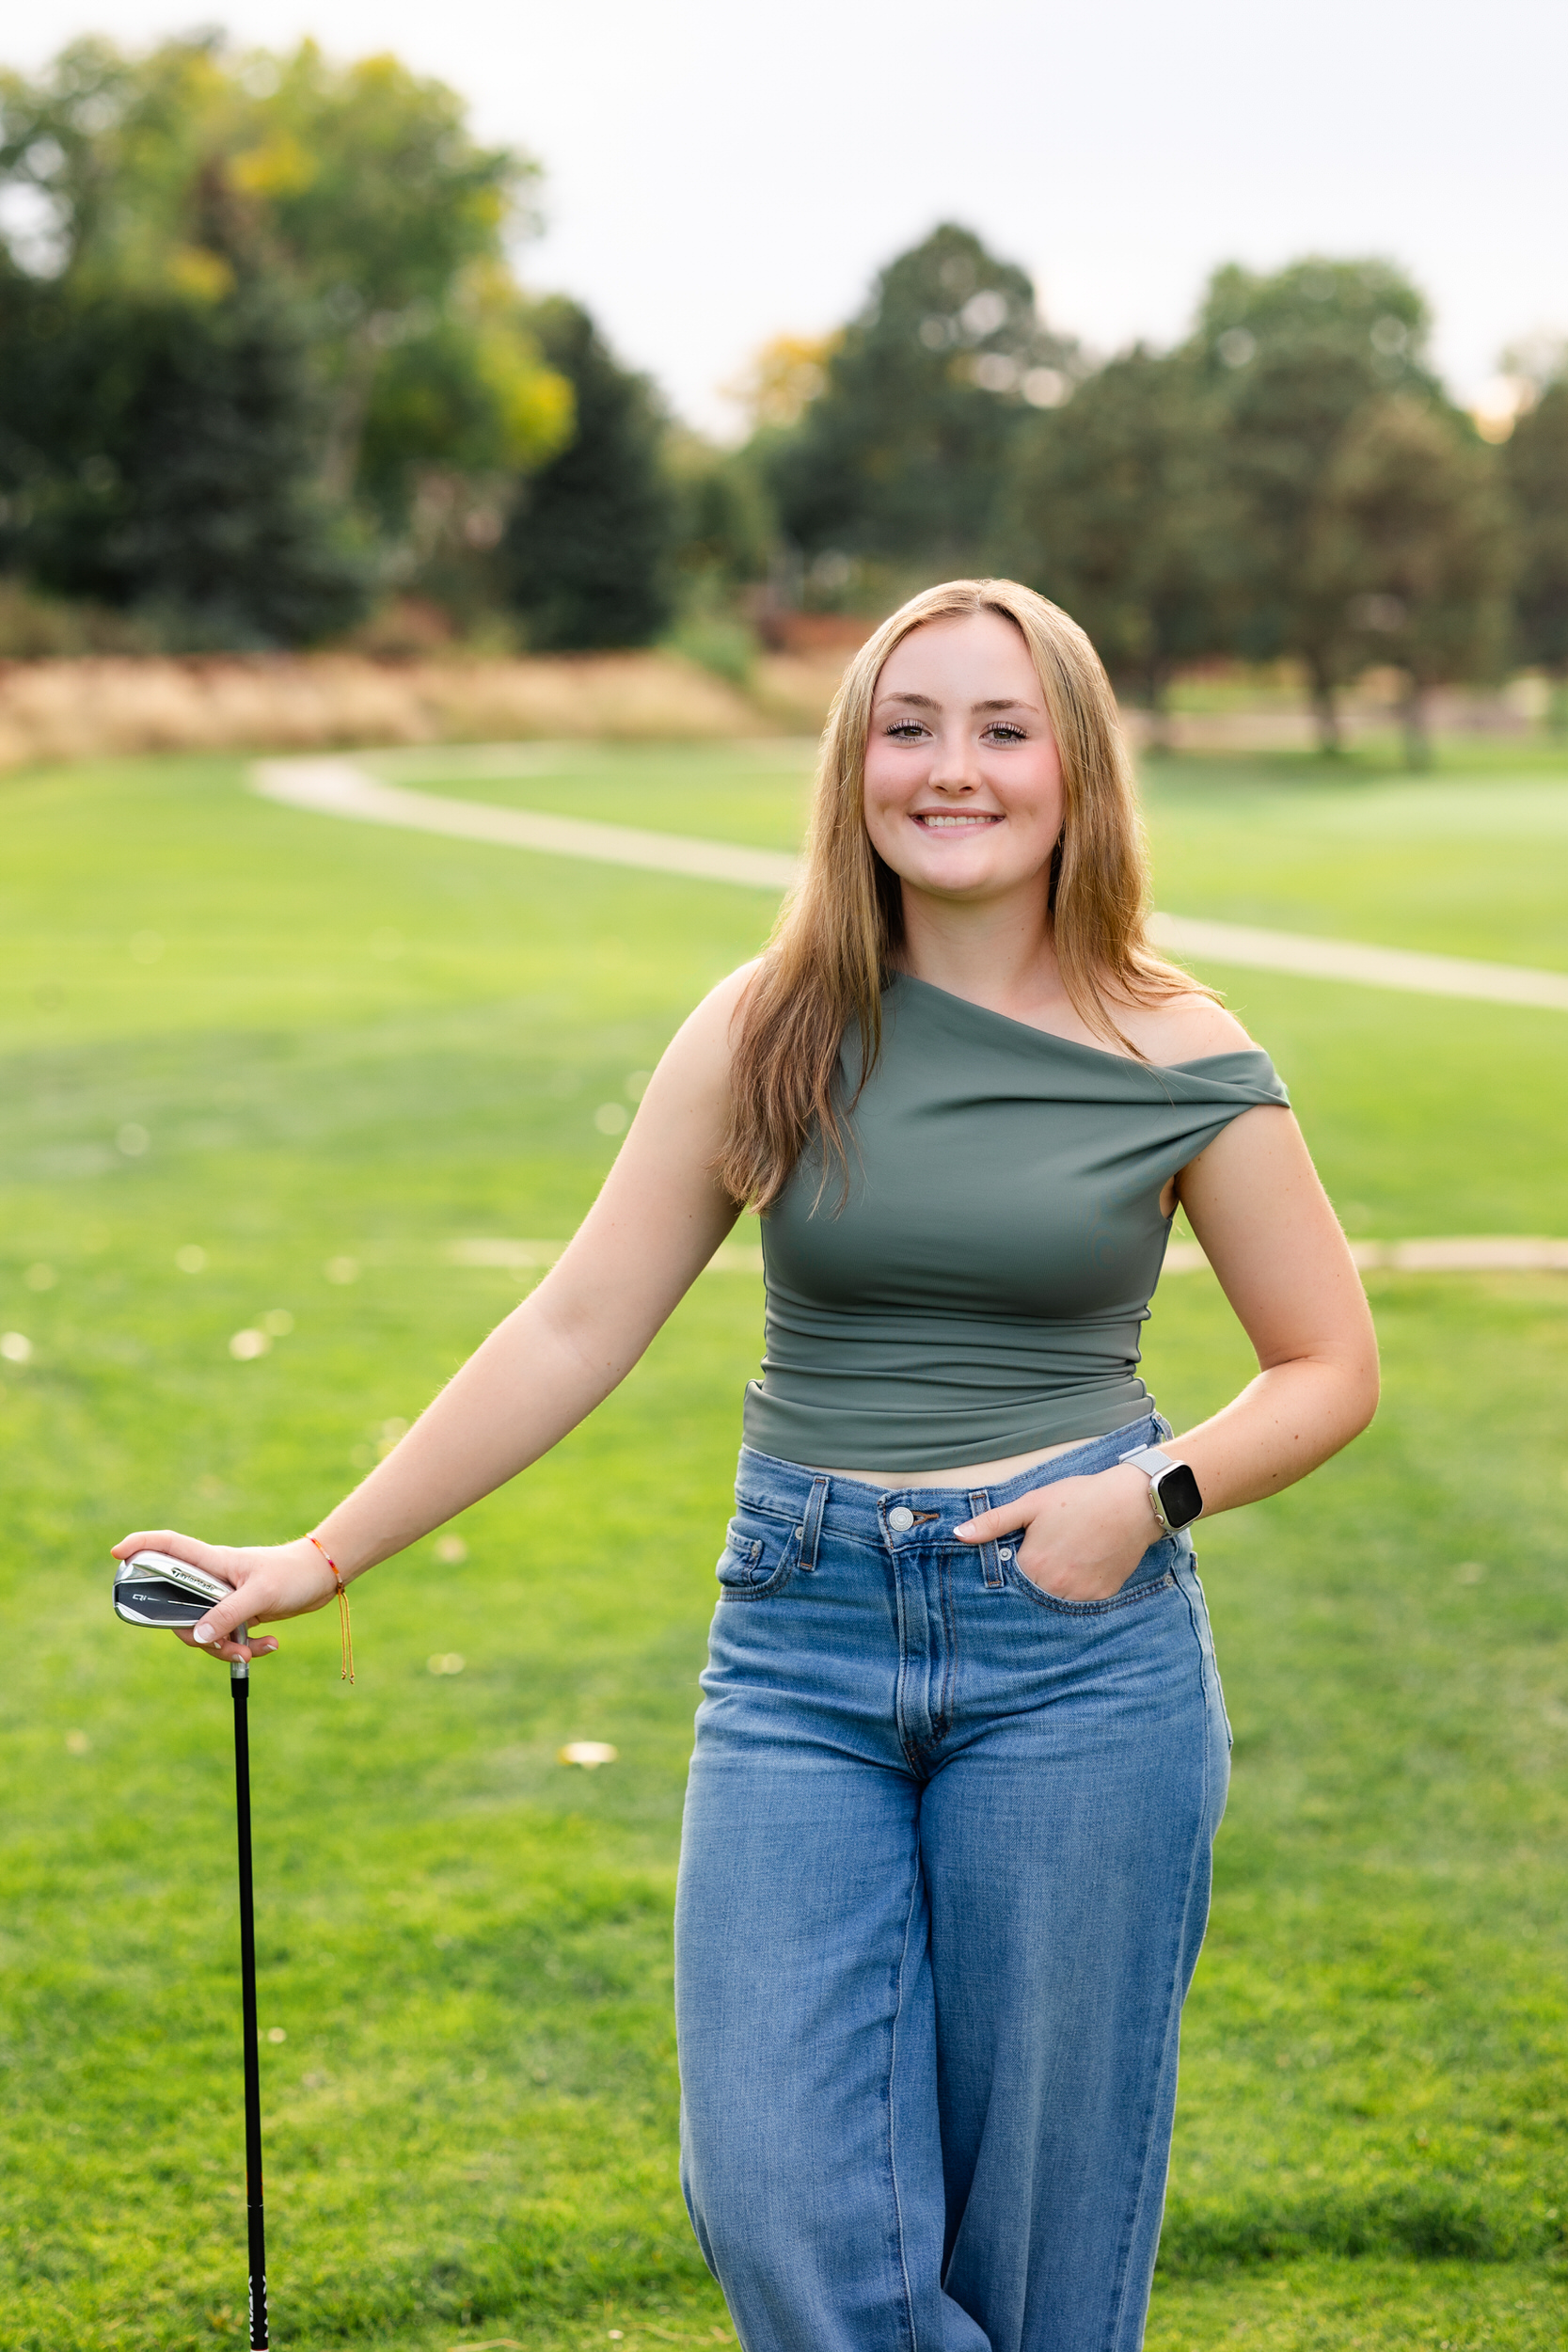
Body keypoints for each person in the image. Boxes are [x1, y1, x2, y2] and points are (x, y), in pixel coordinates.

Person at [115, 578, 1379, 2352]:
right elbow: (575, 1323)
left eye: (1004, 730)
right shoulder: (770, 1024)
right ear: (854, 760)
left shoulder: (1178, 1049)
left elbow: (1328, 1366)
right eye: (910, 725)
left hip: (1078, 1656)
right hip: (802, 1640)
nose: (954, 769)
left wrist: (1148, 1496)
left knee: (1045, 2249)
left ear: (1077, 769)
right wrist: (322, 1555)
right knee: (782, 2208)